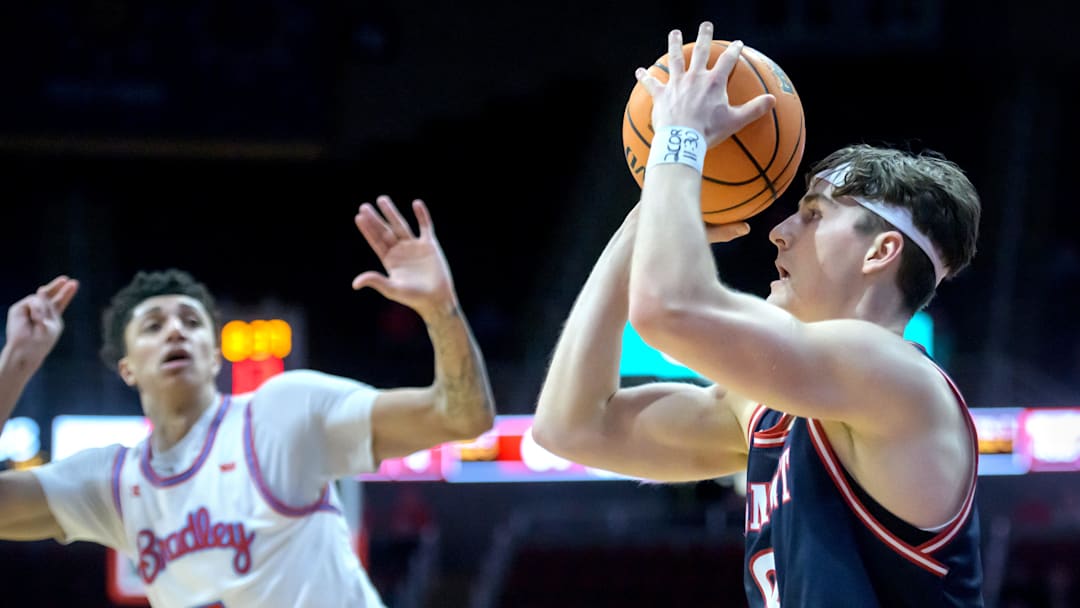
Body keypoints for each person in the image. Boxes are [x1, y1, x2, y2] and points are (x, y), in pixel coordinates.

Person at [533, 21, 983, 607]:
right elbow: (569, 427)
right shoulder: (768, 408)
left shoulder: (899, 382)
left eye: (815, 215)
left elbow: (669, 308)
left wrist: (680, 141)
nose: (779, 232)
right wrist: (643, 216)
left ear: (881, 251)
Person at [0, 195, 496, 608]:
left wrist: (440, 311)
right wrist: (16, 362)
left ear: (216, 355)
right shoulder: (112, 485)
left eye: (191, 323)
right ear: (127, 367)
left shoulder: (280, 414)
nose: (176, 330)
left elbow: (463, 416)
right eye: (154, 325)